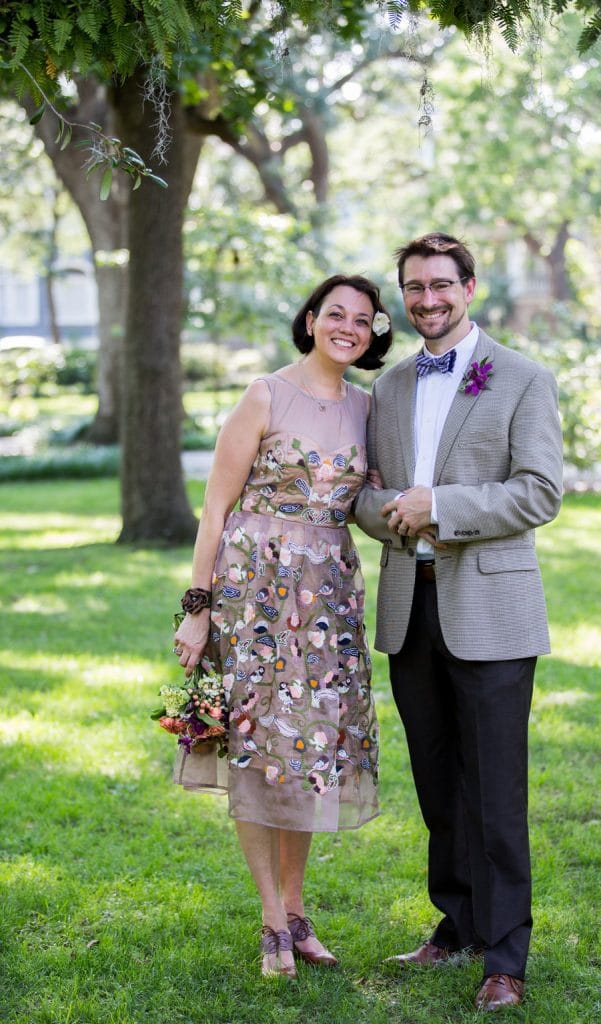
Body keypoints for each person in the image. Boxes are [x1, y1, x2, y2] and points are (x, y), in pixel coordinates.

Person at [354, 233, 563, 1011]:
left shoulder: (521, 378)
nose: (427, 300)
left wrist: (438, 507)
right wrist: (389, 511)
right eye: (413, 288)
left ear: (468, 288)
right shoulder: (392, 387)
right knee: (439, 786)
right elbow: (367, 498)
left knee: (497, 793)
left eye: (440, 285)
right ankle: (458, 924)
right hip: (411, 608)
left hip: (493, 610)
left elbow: (539, 491)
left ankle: (504, 958)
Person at [171, 274, 392, 978]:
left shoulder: (369, 408)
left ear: (373, 333)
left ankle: (298, 914)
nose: (347, 327)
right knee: (256, 751)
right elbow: (214, 510)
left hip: (327, 604)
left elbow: (376, 500)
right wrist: (197, 614)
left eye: (362, 319)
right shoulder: (264, 393)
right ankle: (270, 920)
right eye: (335, 314)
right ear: (310, 319)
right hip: (252, 599)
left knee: (308, 755)